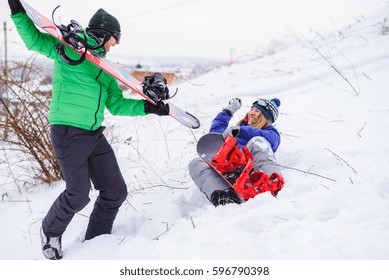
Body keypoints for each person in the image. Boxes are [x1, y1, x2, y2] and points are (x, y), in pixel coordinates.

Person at [8, 0, 170, 260]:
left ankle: (96, 241)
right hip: (68, 132)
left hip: (94, 134)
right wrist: (17, 12)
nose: (116, 44)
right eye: (115, 38)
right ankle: (50, 232)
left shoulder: (105, 69)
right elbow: (35, 41)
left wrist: (147, 108)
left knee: (115, 190)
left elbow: (116, 105)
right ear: (105, 34)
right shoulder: (69, 50)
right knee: (78, 194)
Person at [189, 97, 284, 207]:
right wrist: (227, 112)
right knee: (196, 163)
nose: (251, 113)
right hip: (227, 166)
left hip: (250, 169)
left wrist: (241, 131)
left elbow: (271, 140)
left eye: (257, 111)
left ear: (266, 118)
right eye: (251, 109)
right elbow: (214, 136)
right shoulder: (235, 131)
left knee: (257, 141)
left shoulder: (270, 132)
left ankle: (274, 185)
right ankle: (223, 198)